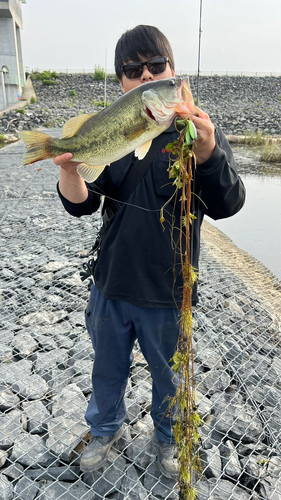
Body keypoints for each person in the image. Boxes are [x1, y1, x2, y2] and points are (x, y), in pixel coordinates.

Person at [55, 25, 245, 479]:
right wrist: (68, 168)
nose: (144, 75)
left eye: (156, 67)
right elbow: (83, 204)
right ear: (121, 82)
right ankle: (104, 429)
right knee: (107, 368)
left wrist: (209, 151)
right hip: (111, 284)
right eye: (132, 70)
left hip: (169, 289)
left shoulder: (198, 135)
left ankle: (169, 437)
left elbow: (230, 202)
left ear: (173, 73)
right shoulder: (113, 131)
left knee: (170, 376)